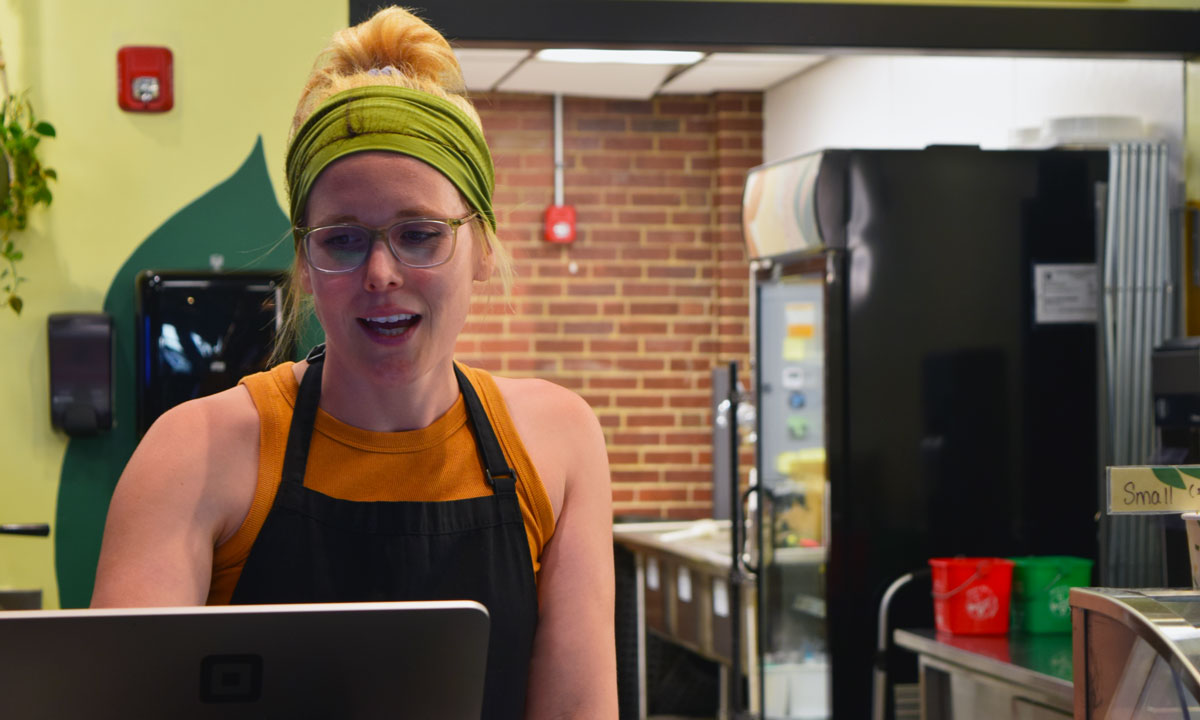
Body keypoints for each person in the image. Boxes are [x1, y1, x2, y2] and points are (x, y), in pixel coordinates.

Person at [91, 7, 618, 718]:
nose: (379, 272)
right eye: (341, 240)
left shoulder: (557, 444)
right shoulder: (192, 455)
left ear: (483, 250)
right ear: (305, 266)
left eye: (420, 234)